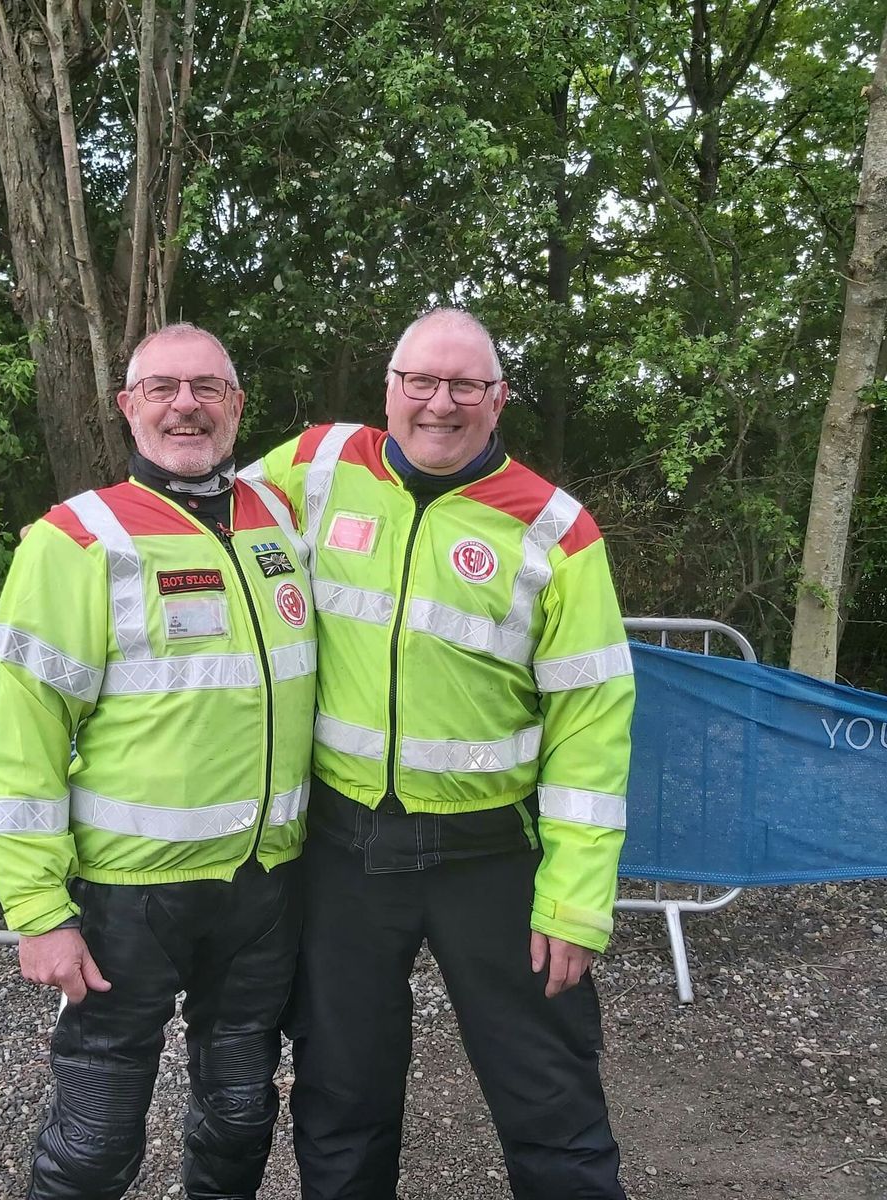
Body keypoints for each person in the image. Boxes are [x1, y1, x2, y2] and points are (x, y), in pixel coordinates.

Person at [246, 308, 635, 1200]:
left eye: (464, 386)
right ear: (388, 388)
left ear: (498, 399)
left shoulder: (555, 528)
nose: (439, 404)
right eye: (420, 381)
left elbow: (592, 722)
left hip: (493, 857)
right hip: (345, 851)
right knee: (341, 1095)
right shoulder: (315, 465)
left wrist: (576, 900)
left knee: (551, 1100)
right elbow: (210, 526)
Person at [0, 323, 316, 1200]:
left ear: (238, 406)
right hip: (128, 898)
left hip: (262, 885)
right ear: (128, 407)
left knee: (240, 1118)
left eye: (208, 388)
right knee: (94, 1139)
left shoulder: (279, 518)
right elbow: (20, 738)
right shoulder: (74, 539)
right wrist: (38, 911)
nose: (186, 406)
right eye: (161, 388)